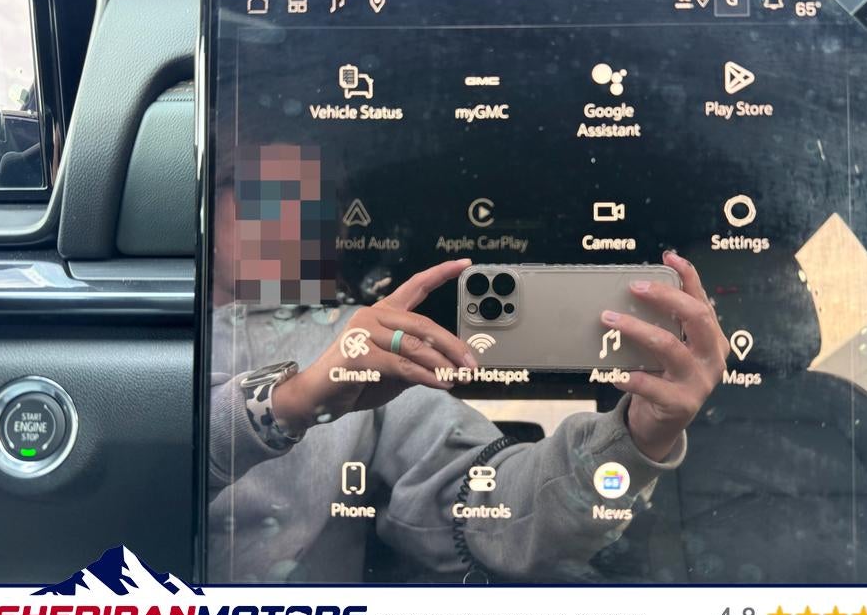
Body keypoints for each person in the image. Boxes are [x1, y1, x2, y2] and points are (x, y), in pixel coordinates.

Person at [208, 241, 729, 583]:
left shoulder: (360, 338)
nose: (282, 204)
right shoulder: (164, 331)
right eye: (245, 180)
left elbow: (493, 510)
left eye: (309, 187)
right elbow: (156, 475)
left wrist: (639, 435)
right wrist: (287, 403)